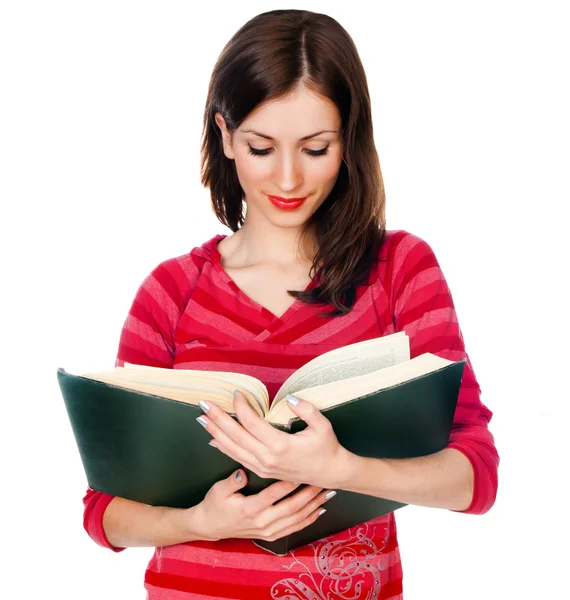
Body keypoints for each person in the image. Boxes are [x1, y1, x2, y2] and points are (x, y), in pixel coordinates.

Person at [82, 9, 499, 599]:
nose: (287, 177)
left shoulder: (399, 270)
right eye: (260, 146)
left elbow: (475, 477)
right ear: (225, 136)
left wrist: (340, 470)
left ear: (348, 139)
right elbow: (105, 510)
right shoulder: (170, 293)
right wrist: (199, 522)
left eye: (315, 147)